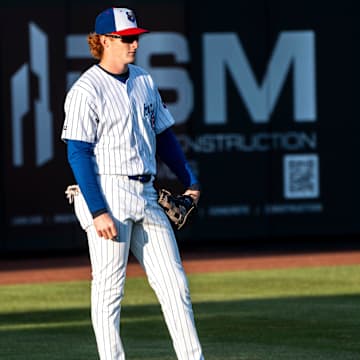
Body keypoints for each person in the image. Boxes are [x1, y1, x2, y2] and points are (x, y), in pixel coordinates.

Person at [61, 7, 205, 360]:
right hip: (106, 190)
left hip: (146, 191)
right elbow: (78, 153)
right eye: (126, 39)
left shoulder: (143, 80)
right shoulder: (86, 89)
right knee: (110, 291)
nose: (134, 44)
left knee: (176, 286)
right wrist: (97, 210)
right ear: (104, 41)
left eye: (135, 37)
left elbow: (165, 137)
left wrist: (189, 179)